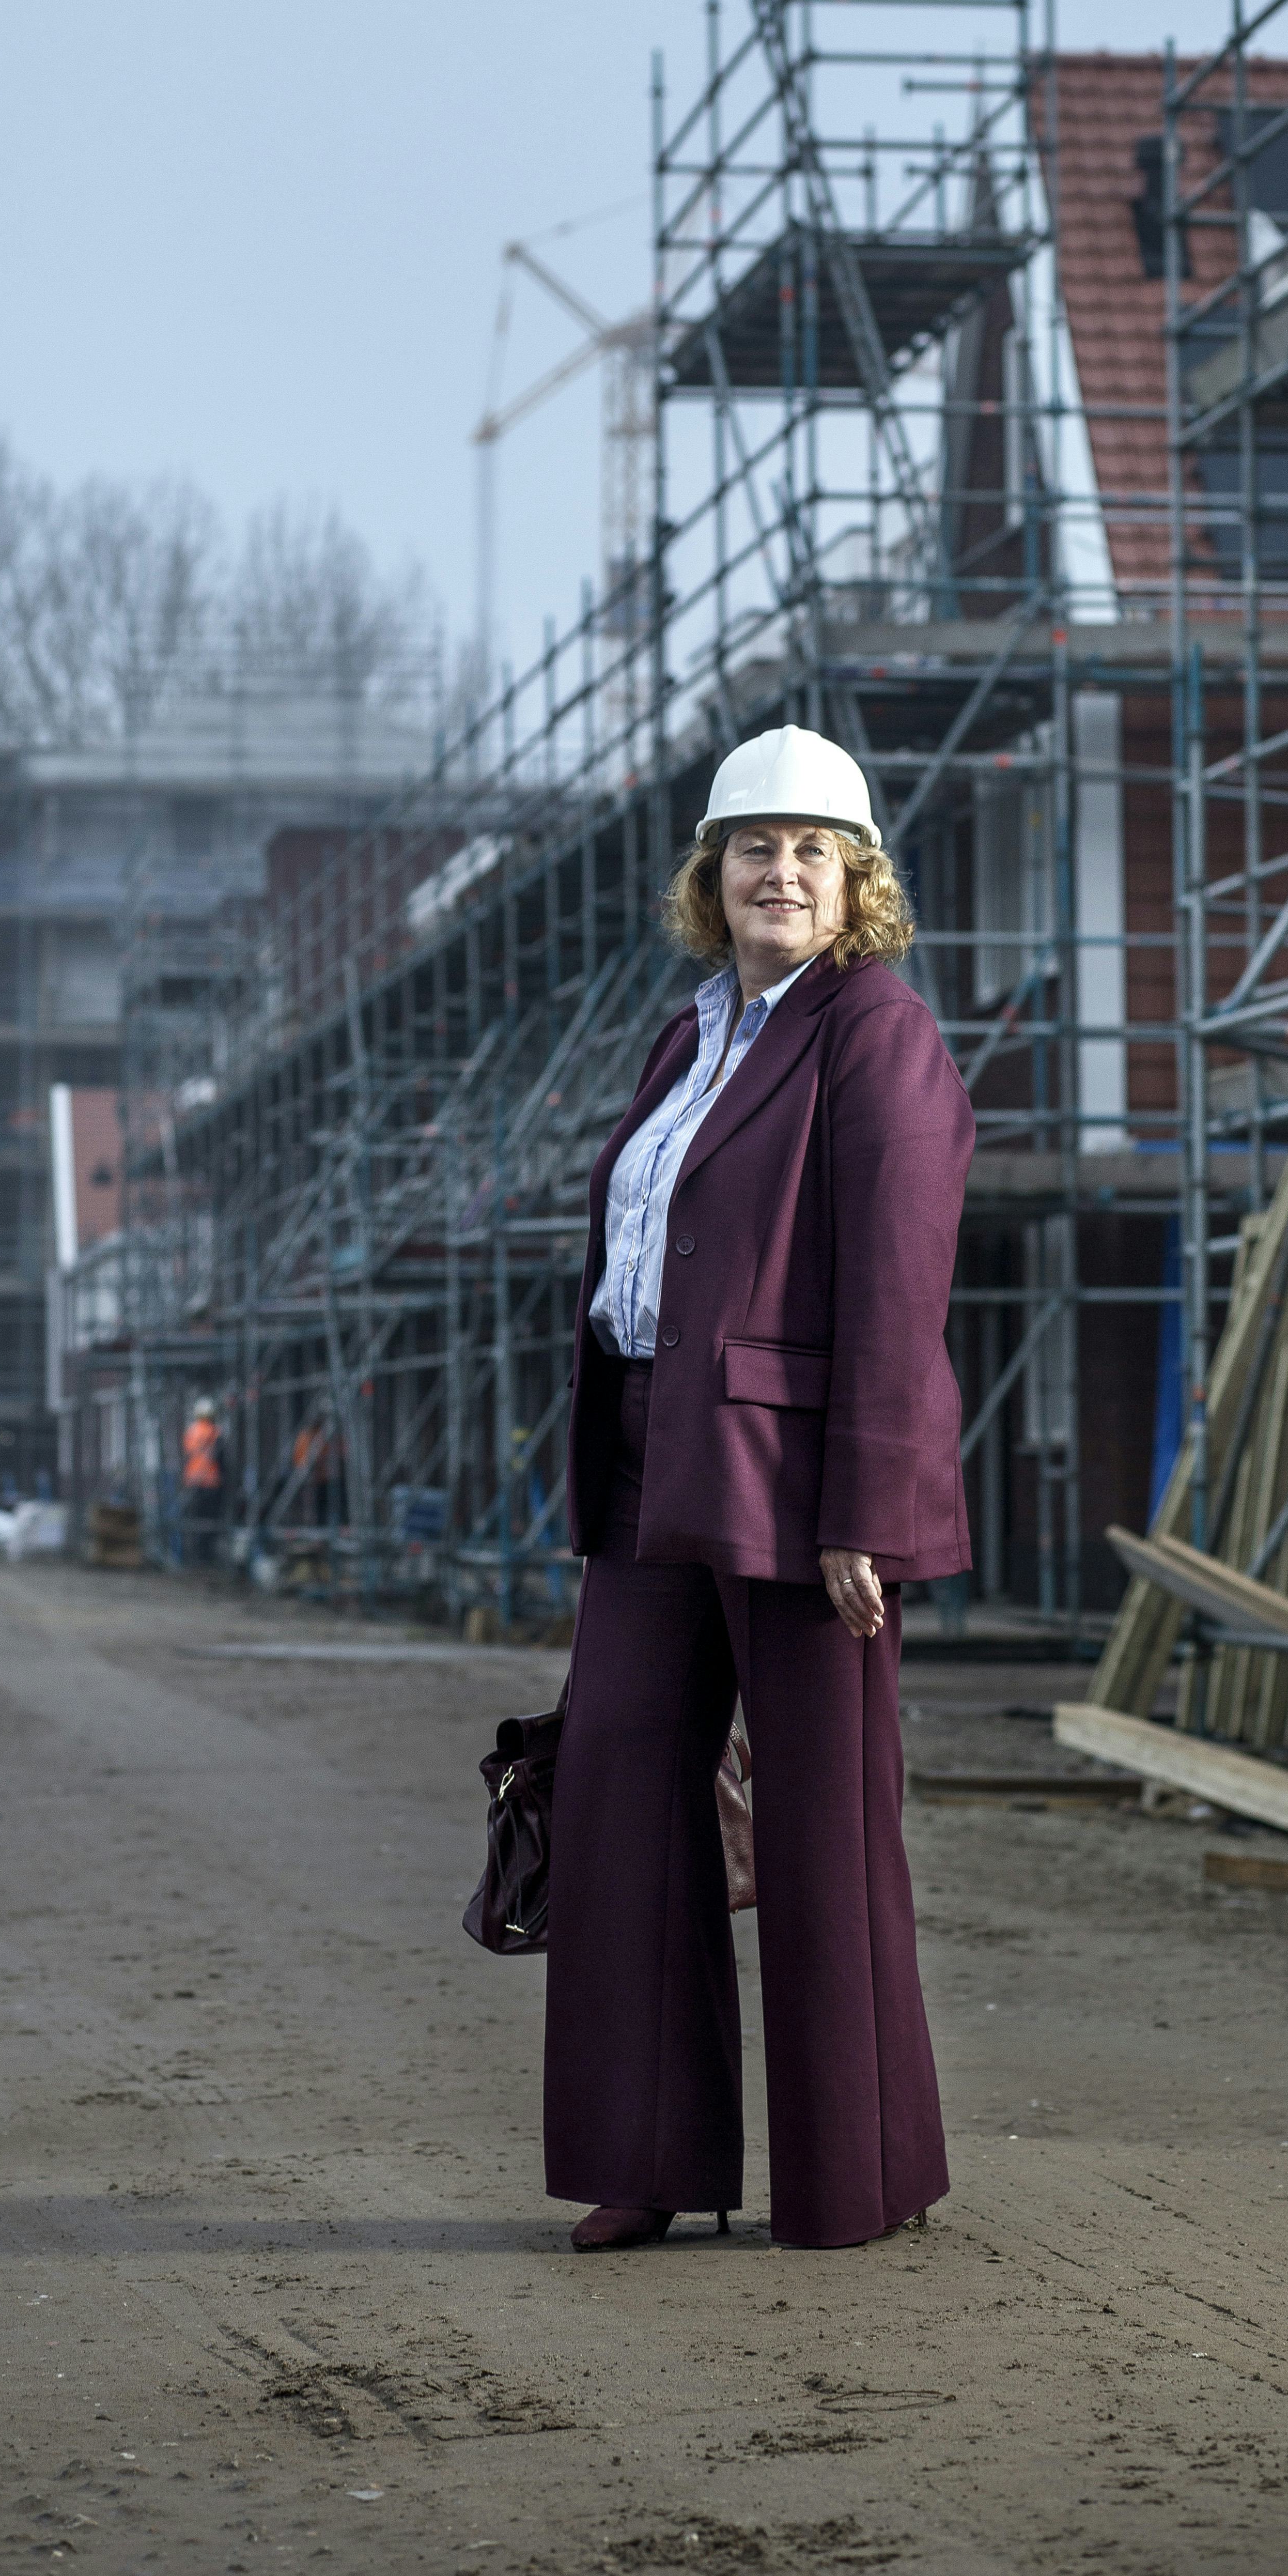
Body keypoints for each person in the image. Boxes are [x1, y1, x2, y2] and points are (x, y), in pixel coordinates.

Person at [545, 723, 973, 2254]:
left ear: (854, 880)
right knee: (614, 1793)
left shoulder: (877, 1033)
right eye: (750, 847)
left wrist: (864, 1501)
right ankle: (643, 2158)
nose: (777, 870)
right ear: (708, 876)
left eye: (809, 848)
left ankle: (856, 2174)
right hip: (648, 1450)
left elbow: (895, 1288)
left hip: (801, 1481)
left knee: (822, 1820)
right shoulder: (686, 1033)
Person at [181, 1396, 225, 1566]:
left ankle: (196, 1555)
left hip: (193, 1482)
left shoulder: (191, 1431)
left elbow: (188, 1455)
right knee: (210, 1521)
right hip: (211, 1483)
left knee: (196, 1519)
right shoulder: (216, 1432)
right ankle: (206, 1556)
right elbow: (222, 1459)